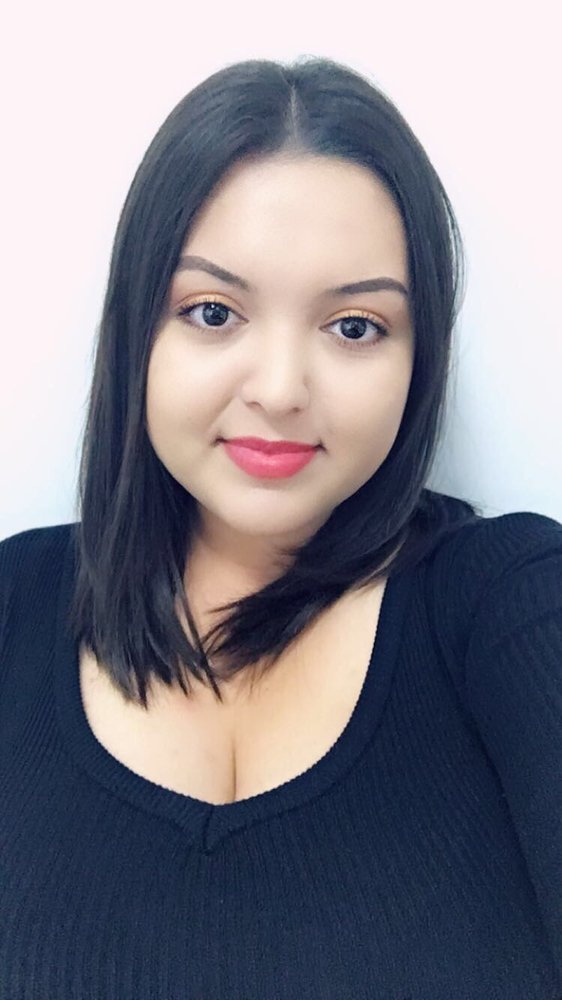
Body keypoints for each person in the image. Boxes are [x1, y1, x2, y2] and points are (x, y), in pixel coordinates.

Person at [0, 56, 561, 1000]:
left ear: (419, 358)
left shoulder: (514, 601)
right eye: (213, 311)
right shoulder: (13, 606)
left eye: (355, 326)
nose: (280, 389)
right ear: (138, 333)